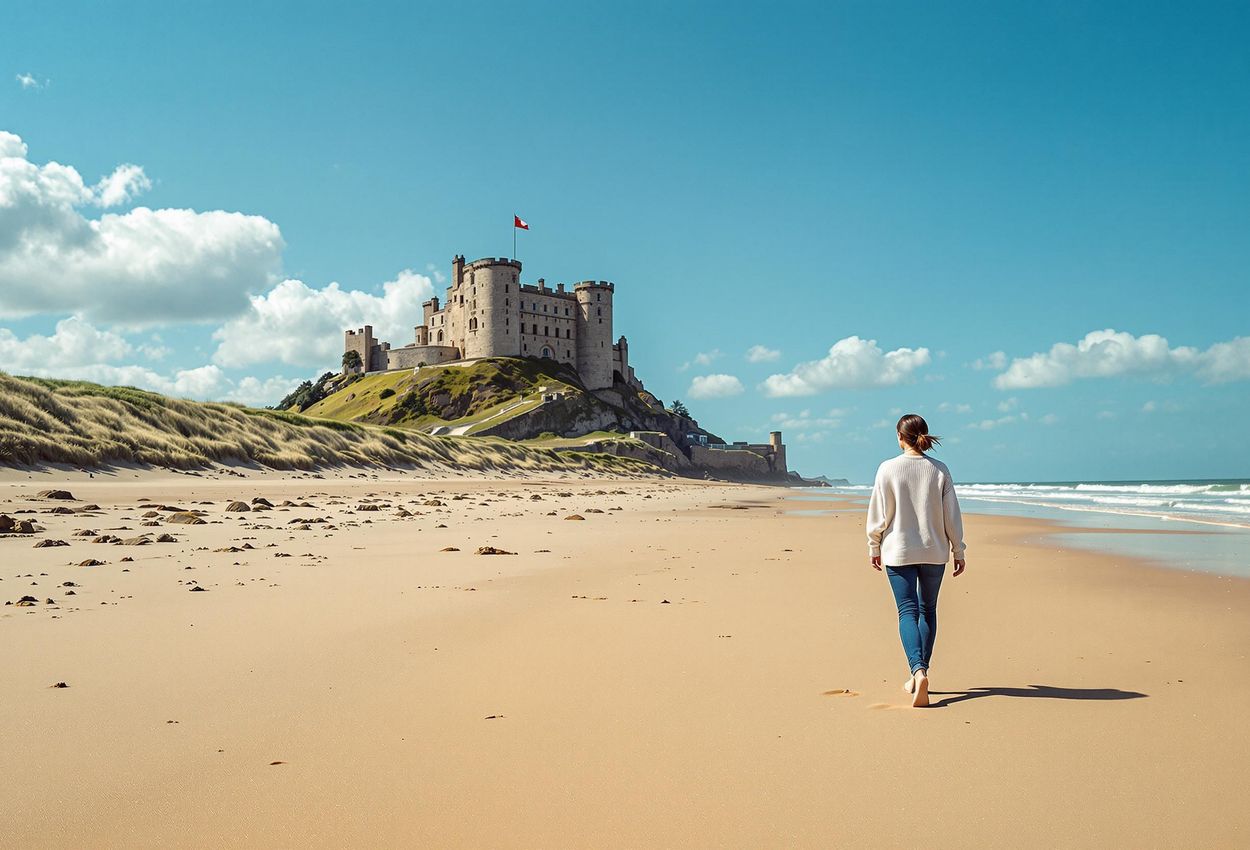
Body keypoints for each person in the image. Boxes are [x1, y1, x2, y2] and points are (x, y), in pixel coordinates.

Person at [866, 414, 967, 707]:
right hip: (934, 551)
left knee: (907, 611)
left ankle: (917, 671)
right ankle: (919, 673)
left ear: (900, 437)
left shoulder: (887, 469)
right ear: (924, 436)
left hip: (899, 551)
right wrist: (958, 550)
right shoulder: (939, 470)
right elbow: (952, 516)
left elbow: (878, 513)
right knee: (928, 610)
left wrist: (874, 546)